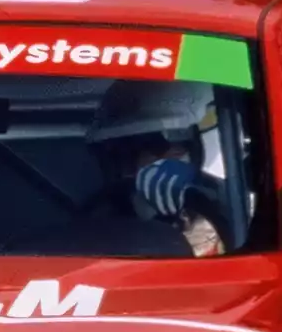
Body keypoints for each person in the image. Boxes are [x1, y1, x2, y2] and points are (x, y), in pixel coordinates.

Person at [83, 79, 227, 256]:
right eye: (125, 152)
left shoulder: (245, 223)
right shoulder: (100, 228)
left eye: (155, 145)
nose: (133, 169)